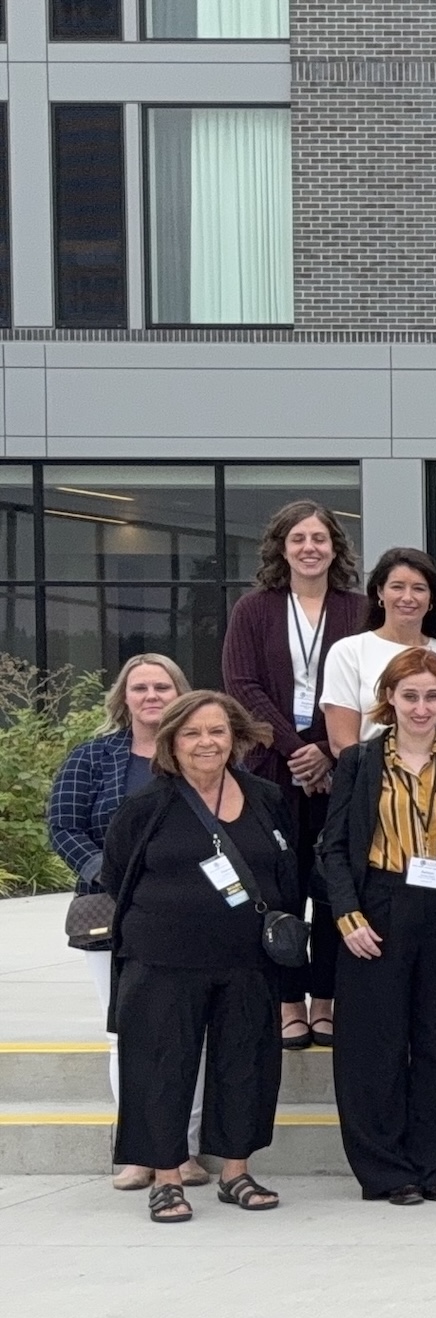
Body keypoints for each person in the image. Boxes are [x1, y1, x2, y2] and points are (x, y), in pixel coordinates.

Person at [104, 690, 298, 1222]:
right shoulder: (146, 805)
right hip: (162, 958)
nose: (206, 743)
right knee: (162, 1065)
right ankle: (166, 1178)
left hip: (247, 959)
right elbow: (118, 874)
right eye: (191, 733)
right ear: (170, 743)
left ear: (233, 738)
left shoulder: (265, 797)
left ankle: (236, 1172)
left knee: (246, 1064)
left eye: (216, 731)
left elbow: (287, 868)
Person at [318, 649, 436, 1203]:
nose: (421, 707)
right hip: (378, 905)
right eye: (410, 695)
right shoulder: (359, 762)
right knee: (374, 1044)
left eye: (432, 696)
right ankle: (386, 1170)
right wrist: (347, 917)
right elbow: (333, 847)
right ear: (389, 699)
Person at [52, 655, 203, 1193]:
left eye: (163, 686)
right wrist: (110, 872)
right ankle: (139, 1151)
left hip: (189, 914)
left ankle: (181, 1149)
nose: (152, 696)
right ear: (124, 697)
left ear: (179, 692)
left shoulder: (200, 752)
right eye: (140, 687)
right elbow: (64, 826)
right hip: (112, 912)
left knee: (191, 1032)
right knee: (129, 1032)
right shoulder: (93, 758)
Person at [221, 500, 366, 1053]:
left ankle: (326, 1002)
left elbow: (364, 685)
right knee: (279, 887)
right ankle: (289, 1002)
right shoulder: (254, 610)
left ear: (335, 547)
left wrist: (329, 751)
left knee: (333, 885)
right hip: (271, 771)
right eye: (299, 538)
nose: (310, 548)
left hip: (341, 768)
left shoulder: (358, 609)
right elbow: (242, 685)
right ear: (282, 547)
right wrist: (297, 750)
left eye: (320, 538)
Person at [318, 548, 436, 752]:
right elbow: (342, 743)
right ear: (380, 592)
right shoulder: (348, 652)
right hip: (370, 778)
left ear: (431, 598)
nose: (408, 597)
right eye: (397, 587)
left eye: (419, 589)